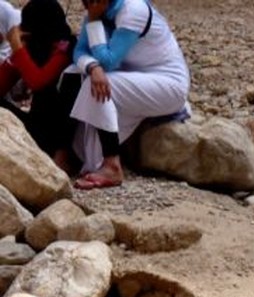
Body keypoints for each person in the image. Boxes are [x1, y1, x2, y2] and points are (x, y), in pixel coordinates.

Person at [71, 0, 189, 189]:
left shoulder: (132, 10)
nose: (86, 5)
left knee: (97, 84)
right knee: (82, 151)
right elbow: (79, 52)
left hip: (168, 84)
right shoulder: (99, 11)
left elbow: (108, 61)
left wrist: (93, 21)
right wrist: (92, 66)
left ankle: (112, 165)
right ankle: (92, 160)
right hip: (134, 80)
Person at [0, 0, 80, 168]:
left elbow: (38, 82)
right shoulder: (34, 47)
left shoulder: (65, 47)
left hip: (61, 131)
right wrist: (16, 57)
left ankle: (62, 155)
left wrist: (17, 48)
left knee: (66, 83)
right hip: (37, 126)